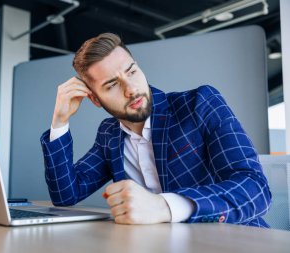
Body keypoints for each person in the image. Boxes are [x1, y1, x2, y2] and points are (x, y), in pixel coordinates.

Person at [40, 33, 271, 226]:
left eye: (131, 71)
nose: (130, 89)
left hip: (236, 240)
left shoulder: (199, 104)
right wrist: (60, 121)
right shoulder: (109, 134)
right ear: (96, 99)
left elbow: (256, 190)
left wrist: (164, 206)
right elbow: (66, 195)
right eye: (112, 85)